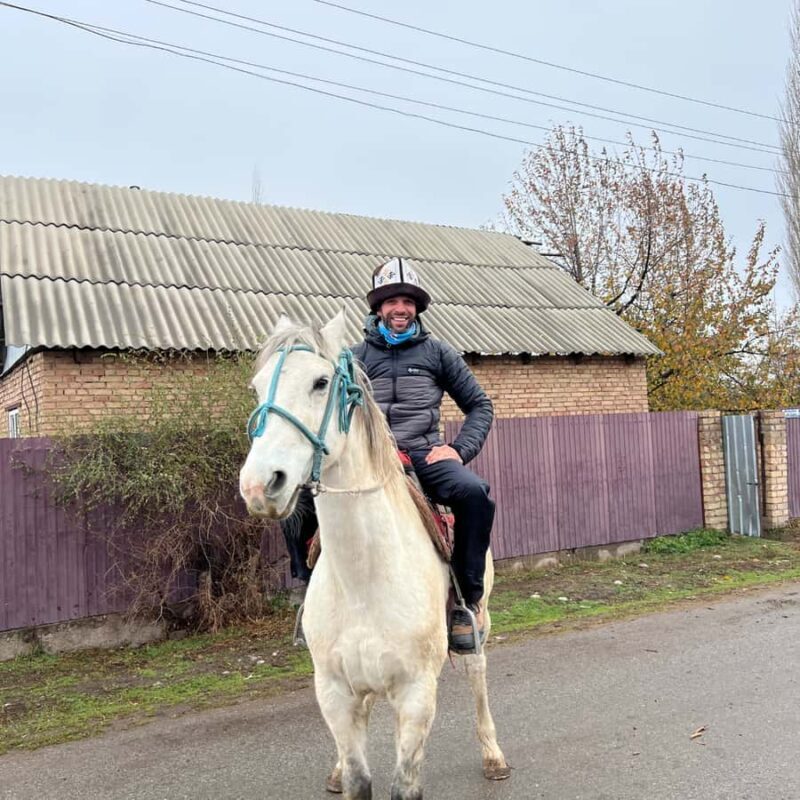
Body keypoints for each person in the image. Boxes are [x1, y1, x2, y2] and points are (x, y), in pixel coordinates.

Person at [281, 257, 495, 653]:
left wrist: (458, 449)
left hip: (425, 456)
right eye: (392, 301)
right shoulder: (353, 358)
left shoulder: (439, 354)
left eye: (409, 302)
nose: (401, 309)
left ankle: (468, 602)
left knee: (476, 495)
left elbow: (480, 406)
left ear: (417, 308)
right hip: (373, 459)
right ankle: (309, 590)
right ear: (378, 307)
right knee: (295, 503)